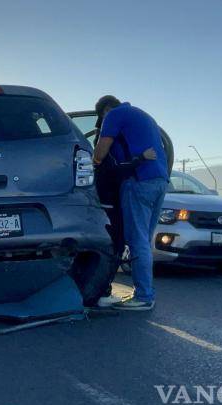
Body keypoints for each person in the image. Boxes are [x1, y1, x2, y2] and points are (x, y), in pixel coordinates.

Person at [93, 95, 169, 311]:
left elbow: (100, 153)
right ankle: (145, 293)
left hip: (138, 182)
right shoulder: (145, 117)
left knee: (137, 241)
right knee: (144, 240)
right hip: (160, 182)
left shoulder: (114, 115)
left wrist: (95, 163)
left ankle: (144, 296)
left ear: (105, 110)